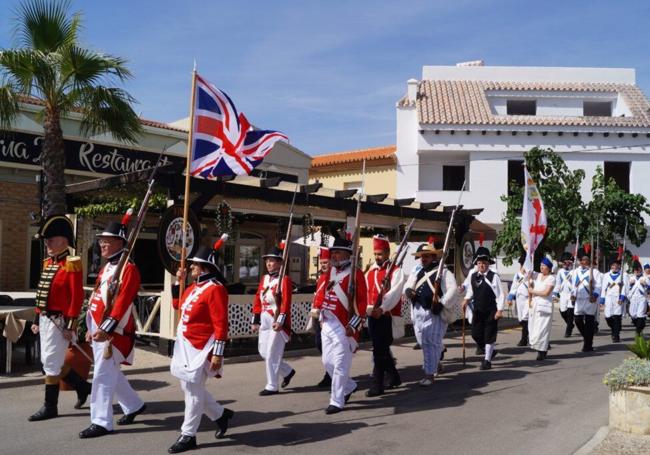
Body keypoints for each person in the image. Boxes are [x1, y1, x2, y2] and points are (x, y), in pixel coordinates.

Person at [79, 215, 146, 438]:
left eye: (107, 240)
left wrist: (105, 328)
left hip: (115, 334)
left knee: (102, 376)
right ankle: (135, 405)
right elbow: (98, 299)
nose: (102, 244)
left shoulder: (129, 269)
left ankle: (101, 421)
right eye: (101, 241)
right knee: (110, 373)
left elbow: (121, 304)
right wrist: (90, 325)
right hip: (101, 329)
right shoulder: (108, 267)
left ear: (120, 242)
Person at [168, 235, 234, 453]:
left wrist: (218, 353)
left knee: (194, 391)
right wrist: (179, 281)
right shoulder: (192, 287)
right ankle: (220, 414)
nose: (191, 266)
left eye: (195, 264)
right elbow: (177, 305)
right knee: (187, 387)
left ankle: (188, 435)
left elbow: (221, 323)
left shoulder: (215, 289)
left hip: (203, 347)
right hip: (186, 344)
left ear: (206, 267)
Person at [28, 215, 90, 421]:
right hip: (46, 320)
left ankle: (50, 406)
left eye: (50, 240)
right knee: (48, 360)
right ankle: (83, 387)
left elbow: (76, 297)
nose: (46, 243)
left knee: (52, 364)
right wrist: (37, 320)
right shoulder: (48, 262)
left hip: (60, 321)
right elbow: (43, 294)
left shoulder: (71, 263)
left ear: (63, 240)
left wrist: (71, 325)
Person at [311, 237, 367, 414]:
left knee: (341, 364)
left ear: (348, 254)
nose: (333, 255)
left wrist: (354, 324)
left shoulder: (356, 274)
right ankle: (349, 386)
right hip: (327, 322)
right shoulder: (330, 273)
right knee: (327, 362)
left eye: (337, 252)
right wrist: (318, 312)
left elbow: (363, 303)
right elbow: (322, 293)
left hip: (344, 325)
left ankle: (337, 400)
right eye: (332, 252)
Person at [404, 243, 457, 386]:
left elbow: (452, 290)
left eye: (427, 256)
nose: (423, 259)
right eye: (422, 256)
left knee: (430, 343)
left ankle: (429, 374)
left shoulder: (444, 272)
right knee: (423, 342)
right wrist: (409, 291)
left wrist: (441, 304)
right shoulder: (417, 271)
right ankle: (436, 364)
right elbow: (408, 285)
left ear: (433, 257)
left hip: (433, 313)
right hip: (418, 311)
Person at [251, 245, 295, 395]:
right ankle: (287, 371)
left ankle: (272, 385)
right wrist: (255, 319)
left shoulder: (285, 280)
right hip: (264, 318)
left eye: (272, 261)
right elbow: (258, 298)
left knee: (272, 354)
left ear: (280, 263)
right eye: (267, 261)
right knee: (263, 352)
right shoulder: (264, 278)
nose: (268, 264)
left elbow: (286, 303)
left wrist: (280, 321)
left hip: (277, 320)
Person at [365, 235, 405, 396]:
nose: (377, 257)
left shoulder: (396, 271)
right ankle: (394, 377)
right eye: (375, 254)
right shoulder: (370, 270)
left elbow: (394, 293)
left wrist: (382, 308)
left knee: (379, 350)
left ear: (388, 253)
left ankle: (377, 385)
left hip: (386, 315)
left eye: (380, 254)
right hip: (371, 314)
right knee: (381, 349)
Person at [462, 246, 505, 370]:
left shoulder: (494, 276)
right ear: (476, 264)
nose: (482, 265)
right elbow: (470, 291)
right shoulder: (473, 276)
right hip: (478, 310)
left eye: (484, 263)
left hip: (491, 310)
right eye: (479, 263)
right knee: (476, 334)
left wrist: (500, 310)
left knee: (489, 335)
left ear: (488, 264)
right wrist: (466, 300)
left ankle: (487, 360)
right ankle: (491, 351)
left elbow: (500, 295)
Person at [570, 247, 601, 353]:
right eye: (582, 260)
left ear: (589, 261)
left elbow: (598, 286)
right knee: (577, 320)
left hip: (590, 299)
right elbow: (574, 286)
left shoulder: (595, 271)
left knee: (589, 322)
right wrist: (573, 295)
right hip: (578, 300)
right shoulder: (575, 271)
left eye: (586, 260)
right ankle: (587, 337)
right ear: (580, 261)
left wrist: (595, 296)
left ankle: (587, 345)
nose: (584, 262)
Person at [528, 257, 556, 361]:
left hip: (544, 306)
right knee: (534, 328)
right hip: (535, 305)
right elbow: (528, 273)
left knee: (542, 329)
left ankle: (542, 351)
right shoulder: (538, 275)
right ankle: (541, 346)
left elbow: (546, 293)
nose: (541, 268)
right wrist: (529, 255)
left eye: (543, 266)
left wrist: (532, 291)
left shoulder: (552, 278)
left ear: (548, 268)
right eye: (540, 266)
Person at [312, 246, 332, 388]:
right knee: (320, 345)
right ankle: (330, 372)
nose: (323, 265)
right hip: (317, 314)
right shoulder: (321, 278)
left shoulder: (333, 278)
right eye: (322, 262)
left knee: (326, 347)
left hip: (326, 316)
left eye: (326, 262)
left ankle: (330, 374)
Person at [600, 256, 626, 343]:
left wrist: (622, 297)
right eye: (613, 265)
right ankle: (615, 328)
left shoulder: (623, 275)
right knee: (608, 317)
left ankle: (616, 335)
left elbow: (625, 287)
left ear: (619, 266)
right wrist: (602, 300)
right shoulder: (606, 275)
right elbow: (604, 288)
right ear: (610, 266)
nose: (614, 267)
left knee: (617, 316)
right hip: (608, 298)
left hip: (618, 298)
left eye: (616, 265)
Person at [507, 253, 530, 347]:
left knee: (525, 319)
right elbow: (514, 287)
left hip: (529, 299)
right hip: (519, 300)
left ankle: (524, 339)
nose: (522, 267)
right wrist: (510, 298)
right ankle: (527, 337)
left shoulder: (531, 274)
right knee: (521, 320)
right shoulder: (517, 275)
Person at [553, 252, 575, 338]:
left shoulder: (574, 272)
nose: (566, 264)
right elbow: (558, 284)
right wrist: (555, 293)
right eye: (564, 262)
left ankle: (568, 330)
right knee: (563, 311)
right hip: (563, 294)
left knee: (570, 312)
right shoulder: (560, 272)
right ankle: (570, 324)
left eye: (568, 262)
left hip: (571, 294)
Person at [627, 259, 648, 337]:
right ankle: (639, 327)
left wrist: (645, 284)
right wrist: (630, 284)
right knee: (633, 314)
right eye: (635, 270)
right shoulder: (631, 278)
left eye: (638, 269)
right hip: (633, 299)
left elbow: (649, 288)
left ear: (641, 269)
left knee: (640, 314)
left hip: (642, 298)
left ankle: (638, 331)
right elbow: (627, 289)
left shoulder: (645, 278)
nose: (637, 271)